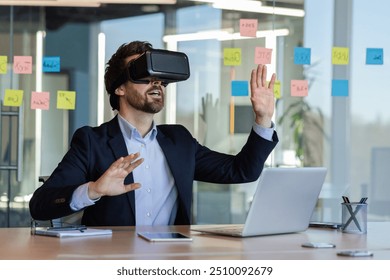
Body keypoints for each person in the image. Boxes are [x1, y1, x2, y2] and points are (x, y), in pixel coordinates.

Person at [29, 41, 279, 226]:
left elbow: (242, 170)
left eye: (160, 78)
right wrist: (94, 189)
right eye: (143, 76)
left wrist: (263, 118)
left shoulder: (179, 141)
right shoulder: (92, 142)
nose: (156, 83)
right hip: (114, 263)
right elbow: (39, 205)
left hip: (172, 262)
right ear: (119, 89)